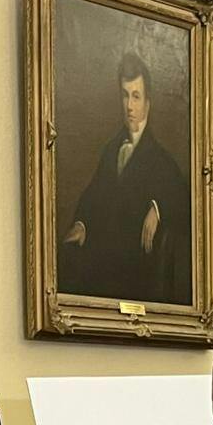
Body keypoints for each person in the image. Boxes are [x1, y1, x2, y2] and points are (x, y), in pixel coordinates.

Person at [60, 51, 190, 306]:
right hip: (103, 257)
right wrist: (81, 223)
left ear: (147, 104)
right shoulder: (111, 150)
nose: (129, 105)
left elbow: (183, 198)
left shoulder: (162, 160)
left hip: (136, 267)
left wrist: (157, 208)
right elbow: (93, 193)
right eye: (124, 95)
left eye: (136, 96)